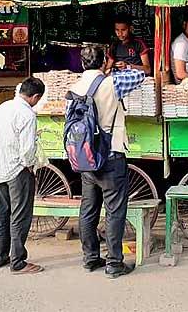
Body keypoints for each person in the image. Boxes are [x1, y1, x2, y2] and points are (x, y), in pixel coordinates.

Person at [69, 45, 145, 277]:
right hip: (111, 154)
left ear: (82, 64)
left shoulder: (73, 87)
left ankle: (90, 258)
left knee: (88, 208)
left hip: (86, 157)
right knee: (114, 211)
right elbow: (141, 75)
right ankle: (114, 263)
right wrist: (116, 69)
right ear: (104, 62)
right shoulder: (113, 83)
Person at [0, 77, 45, 274]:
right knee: (20, 216)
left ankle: (0, 257)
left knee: (3, 214)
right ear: (36, 96)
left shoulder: (2, 109)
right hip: (18, 171)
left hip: (0, 168)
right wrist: (30, 166)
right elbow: (27, 150)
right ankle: (18, 262)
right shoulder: (27, 115)